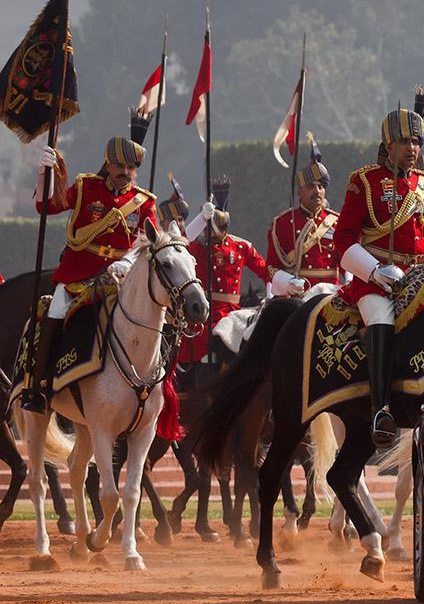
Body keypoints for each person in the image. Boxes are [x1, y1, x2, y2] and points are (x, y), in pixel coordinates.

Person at [334, 104, 424, 446]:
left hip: (423, 276)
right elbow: (343, 239)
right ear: (388, 146)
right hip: (376, 280)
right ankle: (381, 409)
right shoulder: (365, 181)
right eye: (404, 142)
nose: (411, 148)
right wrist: (373, 271)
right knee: (380, 318)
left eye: (416, 142)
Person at [22, 110, 157, 412]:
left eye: (131, 167)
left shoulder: (144, 201)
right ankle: (39, 387)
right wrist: (44, 174)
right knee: (56, 310)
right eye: (120, 165)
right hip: (80, 273)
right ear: (108, 164)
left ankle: (154, 386)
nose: (126, 171)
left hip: (122, 276)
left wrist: (128, 263)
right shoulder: (86, 188)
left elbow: (150, 243)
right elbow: (46, 207)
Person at [177, 177, 269, 367]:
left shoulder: (241, 246)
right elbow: (181, 241)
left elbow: (266, 271)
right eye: (205, 228)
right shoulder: (197, 247)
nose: (206, 232)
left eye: (209, 228)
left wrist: (275, 293)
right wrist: (200, 219)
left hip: (233, 311)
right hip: (206, 311)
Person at [267, 133, 342, 297]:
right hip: (299, 293)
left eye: (321, 187)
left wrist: (349, 280)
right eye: (310, 186)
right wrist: (288, 283)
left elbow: (347, 260)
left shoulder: (337, 222)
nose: (317, 191)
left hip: (332, 294)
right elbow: (272, 267)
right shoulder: (283, 223)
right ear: (299, 191)